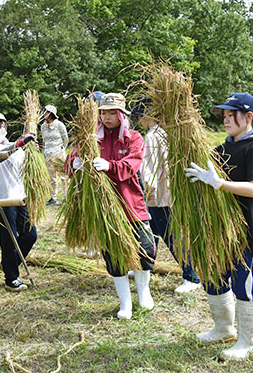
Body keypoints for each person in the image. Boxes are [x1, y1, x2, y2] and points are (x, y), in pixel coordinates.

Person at [68, 93, 157, 319]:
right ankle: (125, 303)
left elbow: (131, 165)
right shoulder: (90, 139)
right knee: (114, 255)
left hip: (131, 204)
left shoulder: (133, 138)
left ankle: (144, 292)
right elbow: (71, 164)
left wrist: (109, 165)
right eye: (103, 112)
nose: (107, 117)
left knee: (145, 249)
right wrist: (75, 164)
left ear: (121, 114)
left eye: (111, 112)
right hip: (104, 209)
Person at [184, 92, 253, 360]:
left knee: (243, 283)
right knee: (213, 275)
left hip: (248, 229)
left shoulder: (251, 147)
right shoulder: (221, 149)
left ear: (248, 116)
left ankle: (247, 342)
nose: (225, 120)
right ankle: (224, 328)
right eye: (223, 115)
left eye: (231, 115)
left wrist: (221, 185)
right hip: (220, 230)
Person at [132, 97, 201, 293]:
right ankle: (145, 265)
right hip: (164, 191)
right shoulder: (163, 133)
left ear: (148, 115)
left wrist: (147, 190)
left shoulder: (153, 136)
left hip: (159, 194)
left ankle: (192, 277)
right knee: (152, 233)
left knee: (171, 236)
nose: (139, 120)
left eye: (140, 116)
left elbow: (150, 168)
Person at [0, 111, 38, 292]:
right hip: (2, 199)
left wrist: (32, 152)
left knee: (30, 235)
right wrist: (21, 143)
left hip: (19, 197)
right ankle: (11, 279)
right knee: (9, 239)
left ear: (6, 126)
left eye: (0, 125)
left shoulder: (15, 147)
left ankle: (8, 263)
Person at [41, 105, 68, 205]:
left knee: (63, 176)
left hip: (59, 153)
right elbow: (44, 140)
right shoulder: (43, 126)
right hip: (48, 153)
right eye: (44, 112)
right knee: (52, 177)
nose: (44, 114)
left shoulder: (59, 124)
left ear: (51, 114)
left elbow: (65, 139)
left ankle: (66, 197)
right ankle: (53, 197)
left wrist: (61, 148)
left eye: (46, 112)